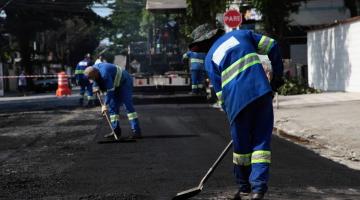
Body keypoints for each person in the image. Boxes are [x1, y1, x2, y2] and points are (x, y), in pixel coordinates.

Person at [188, 24, 284, 200]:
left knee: (241, 151)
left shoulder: (210, 60)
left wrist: (232, 115)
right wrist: (277, 77)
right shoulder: (242, 35)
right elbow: (272, 45)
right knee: (261, 143)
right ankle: (258, 190)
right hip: (261, 93)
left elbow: (221, 95)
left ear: (204, 43)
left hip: (236, 103)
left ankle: (244, 187)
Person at [84, 62, 142, 139]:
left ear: (96, 73)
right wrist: (95, 86)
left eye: (92, 78)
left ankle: (136, 131)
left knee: (128, 106)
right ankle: (116, 131)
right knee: (112, 107)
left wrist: (104, 104)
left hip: (124, 82)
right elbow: (96, 80)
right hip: (113, 83)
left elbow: (110, 91)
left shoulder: (105, 74)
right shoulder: (93, 69)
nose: (91, 80)